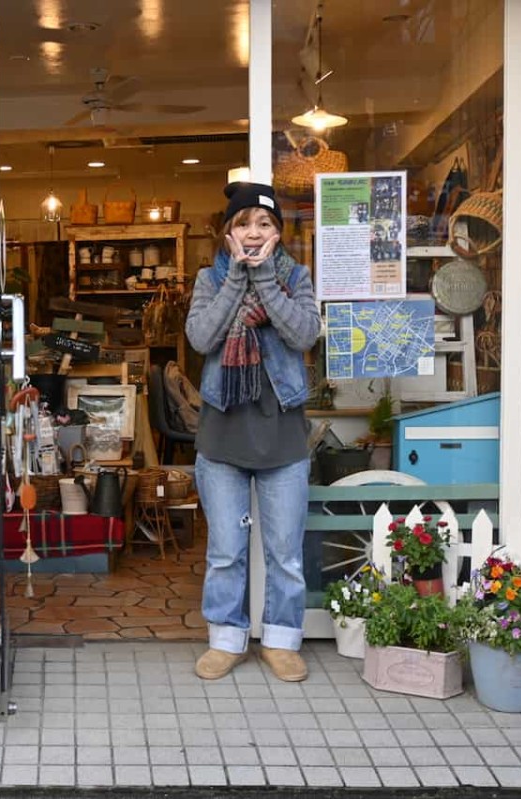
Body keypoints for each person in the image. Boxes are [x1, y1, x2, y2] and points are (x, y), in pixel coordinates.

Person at [184, 182, 321, 682]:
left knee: (285, 550)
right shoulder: (209, 279)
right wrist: (236, 281)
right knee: (225, 550)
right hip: (223, 431)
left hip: (282, 432)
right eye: (243, 224)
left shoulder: (296, 278)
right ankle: (226, 638)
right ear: (228, 233)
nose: (254, 232)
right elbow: (202, 336)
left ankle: (282, 641)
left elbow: (303, 333)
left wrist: (263, 277)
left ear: (279, 234)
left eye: (264, 224)